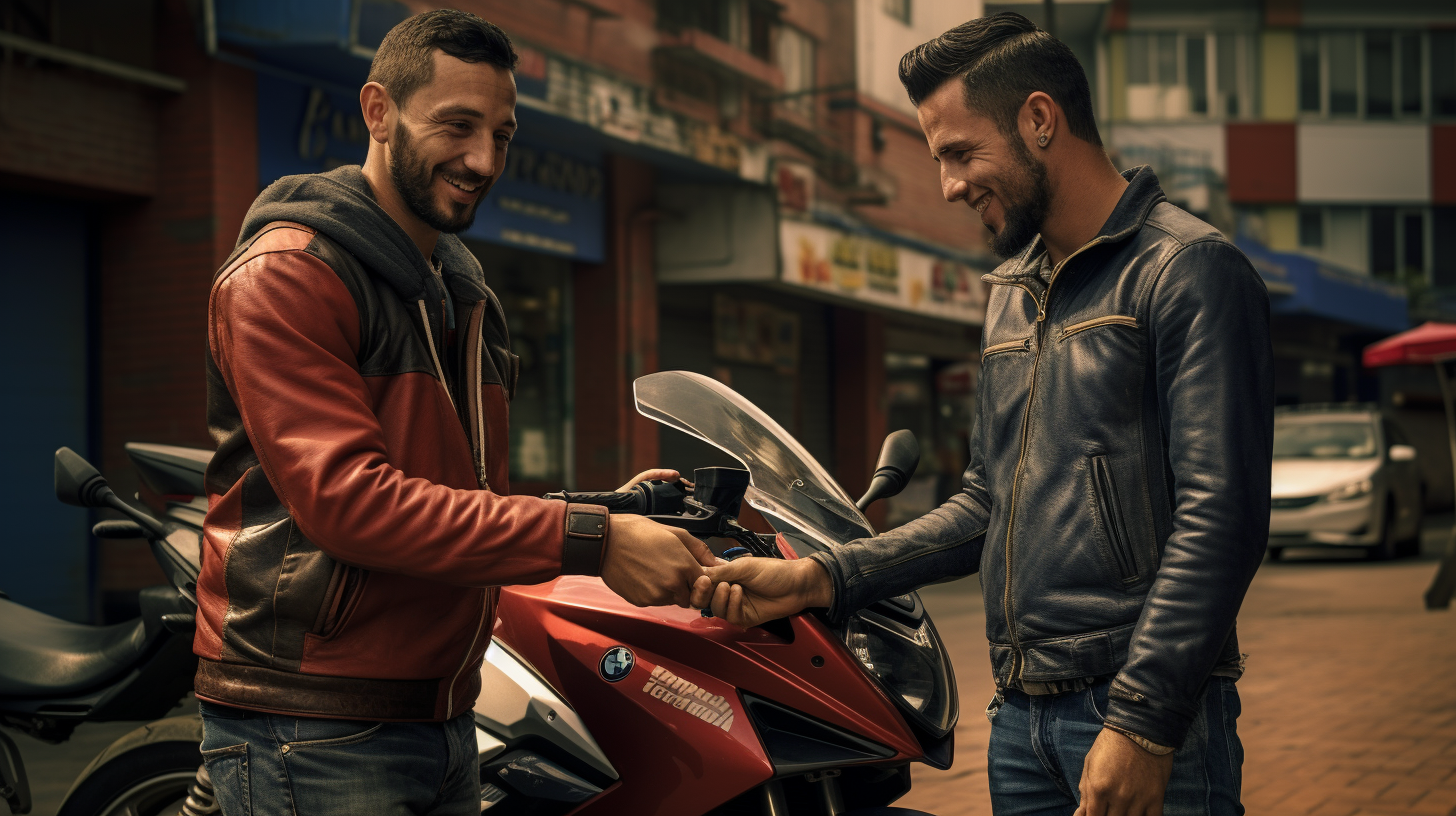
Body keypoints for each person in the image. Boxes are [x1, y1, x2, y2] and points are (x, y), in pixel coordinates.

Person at [692, 13, 1271, 816]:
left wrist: (1143, 722)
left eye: (961, 153)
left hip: (1137, 709)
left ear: (1039, 120)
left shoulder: (1186, 271)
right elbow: (984, 503)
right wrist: (820, 577)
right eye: (939, 160)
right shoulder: (1012, 290)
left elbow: (1223, 519)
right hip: (1021, 718)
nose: (949, 186)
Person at [195, 10, 713, 815]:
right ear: (378, 111)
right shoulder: (289, 276)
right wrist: (594, 538)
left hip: (441, 713)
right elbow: (352, 503)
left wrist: (612, 507)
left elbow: (451, 498)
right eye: (458, 126)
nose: (483, 160)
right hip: (313, 720)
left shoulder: (461, 291)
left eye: (502, 135)